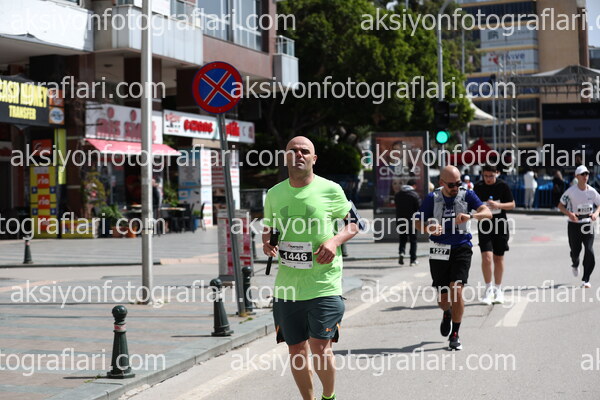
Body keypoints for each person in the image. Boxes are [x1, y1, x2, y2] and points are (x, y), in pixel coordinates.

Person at [262, 136, 359, 400]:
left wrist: (334, 241)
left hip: (324, 283)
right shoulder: (274, 193)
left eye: (305, 151)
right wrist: (266, 243)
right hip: (288, 288)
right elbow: (269, 227)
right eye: (293, 151)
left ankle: (328, 396)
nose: (299, 155)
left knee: (320, 347)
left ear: (313, 159)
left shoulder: (331, 189)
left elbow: (353, 224)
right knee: (295, 350)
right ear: (285, 157)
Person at [414, 166, 491, 351]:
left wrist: (470, 216)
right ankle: (447, 312)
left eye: (458, 183)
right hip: (439, 249)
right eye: (451, 185)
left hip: (461, 247)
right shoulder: (432, 198)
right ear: (441, 183)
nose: (456, 187)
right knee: (443, 299)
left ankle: (455, 334)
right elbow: (416, 221)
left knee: (456, 290)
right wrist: (428, 228)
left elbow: (487, 212)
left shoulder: (467, 195)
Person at [474, 165, 515, 304]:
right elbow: (472, 205)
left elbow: (512, 204)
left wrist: (498, 206)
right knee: (486, 258)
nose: (488, 179)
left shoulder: (502, 185)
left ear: (497, 173)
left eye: (491, 176)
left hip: (500, 225)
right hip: (484, 226)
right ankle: (488, 290)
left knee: (498, 258)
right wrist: (479, 210)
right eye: (485, 176)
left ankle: (498, 289)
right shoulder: (478, 186)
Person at [557, 165, 600, 288]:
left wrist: (596, 213)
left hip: (588, 224)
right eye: (582, 174)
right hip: (574, 225)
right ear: (577, 176)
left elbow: (599, 204)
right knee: (575, 252)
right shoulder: (571, 191)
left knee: (589, 250)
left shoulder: (592, 191)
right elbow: (560, 206)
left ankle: (586, 279)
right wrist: (570, 214)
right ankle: (575, 264)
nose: (585, 176)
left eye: (587, 174)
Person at [395, 179, 421, 266]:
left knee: (402, 238)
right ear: (414, 186)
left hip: (401, 221)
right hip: (412, 222)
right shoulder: (414, 195)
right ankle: (413, 260)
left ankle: (401, 252)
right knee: (413, 240)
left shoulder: (398, 195)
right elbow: (419, 208)